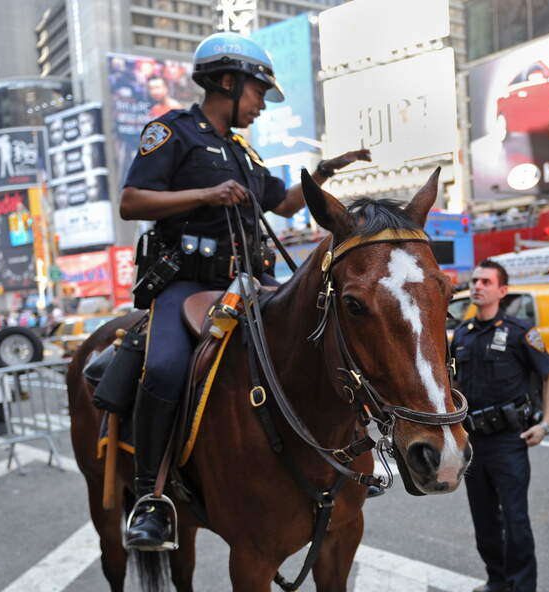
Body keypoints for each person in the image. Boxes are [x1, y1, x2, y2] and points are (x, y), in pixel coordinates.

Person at [117, 32, 370, 551]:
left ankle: (351, 456)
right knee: (163, 367)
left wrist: (323, 172)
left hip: (250, 282)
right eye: (257, 92)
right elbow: (130, 202)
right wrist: (206, 193)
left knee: (323, 335)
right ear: (227, 83)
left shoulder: (243, 152)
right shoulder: (172, 133)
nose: (260, 105)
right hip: (187, 284)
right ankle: (151, 499)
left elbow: (281, 206)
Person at [450, 259, 549, 592]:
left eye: (485, 281)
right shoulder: (461, 334)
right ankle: (497, 579)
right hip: (473, 442)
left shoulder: (519, 332)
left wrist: (545, 423)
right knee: (483, 519)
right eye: (474, 280)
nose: (477, 286)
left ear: (502, 291)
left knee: (515, 520)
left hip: (508, 441)